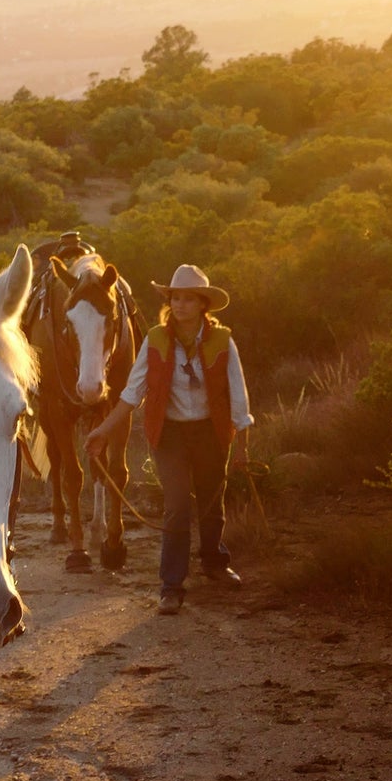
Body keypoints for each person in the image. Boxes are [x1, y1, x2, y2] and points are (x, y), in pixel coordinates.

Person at [86, 263, 253, 615]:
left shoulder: (223, 341)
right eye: (175, 298)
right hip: (169, 434)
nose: (180, 305)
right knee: (176, 506)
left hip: (211, 432)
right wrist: (102, 431)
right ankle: (172, 585)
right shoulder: (155, 340)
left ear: (203, 304)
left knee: (211, 503)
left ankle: (214, 562)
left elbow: (238, 396)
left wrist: (242, 446)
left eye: (188, 299)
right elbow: (131, 395)